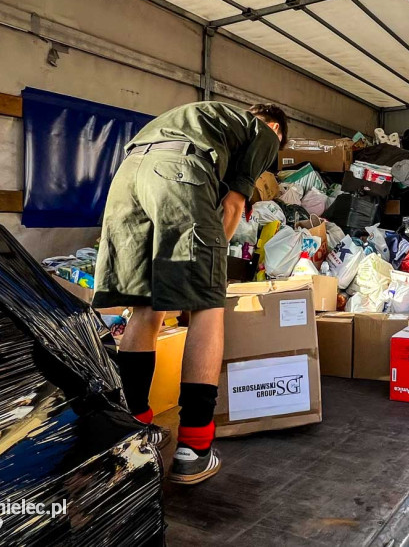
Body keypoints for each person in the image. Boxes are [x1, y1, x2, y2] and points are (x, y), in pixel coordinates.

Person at [93, 101, 287, 485]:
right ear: (276, 131)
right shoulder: (264, 134)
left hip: (128, 176)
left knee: (144, 306)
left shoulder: (202, 118)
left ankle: (135, 428)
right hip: (178, 174)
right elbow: (232, 205)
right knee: (207, 307)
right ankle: (195, 448)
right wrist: (210, 267)